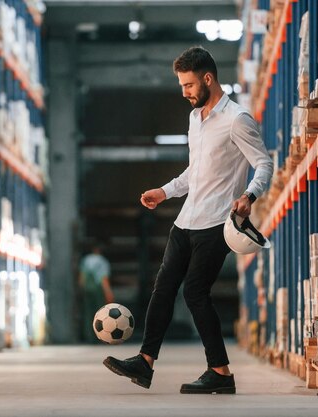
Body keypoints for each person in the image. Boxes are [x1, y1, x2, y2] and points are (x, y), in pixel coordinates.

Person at [103, 46, 273, 394]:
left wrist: (249, 196)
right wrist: (164, 192)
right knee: (163, 287)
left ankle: (221, 373)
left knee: (195, 292)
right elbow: (194, 172)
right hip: (187, 219)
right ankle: (145, 362)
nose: (184, 93)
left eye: (189, 85)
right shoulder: (195, 118)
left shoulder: (237, 120)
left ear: (208, 78)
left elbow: (264, 164)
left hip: (216, 224)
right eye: (182, 85)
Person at [79, 242, 115, 343]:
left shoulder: (86, 259)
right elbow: (104, 279)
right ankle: (100, 336)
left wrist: (82, 288)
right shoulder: (103, 261)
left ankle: (88, 336)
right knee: (101, 314)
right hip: (98, 289)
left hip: (87, 288)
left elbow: (82, 277)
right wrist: (108, 293)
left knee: (88, 313)